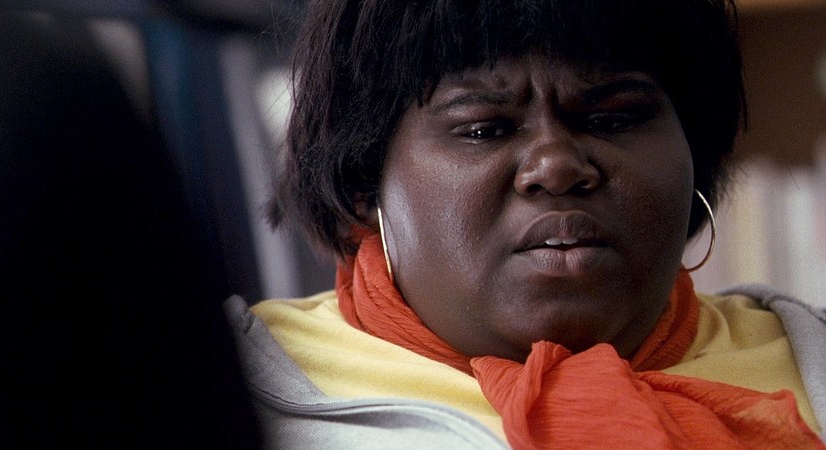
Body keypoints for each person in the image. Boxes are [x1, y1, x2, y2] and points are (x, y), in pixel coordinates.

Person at [224, 0, 826, 448]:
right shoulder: (220, 382)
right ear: (363, 182)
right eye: (484, 129)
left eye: (615, 119)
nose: (557, 167)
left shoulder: (810, 353)